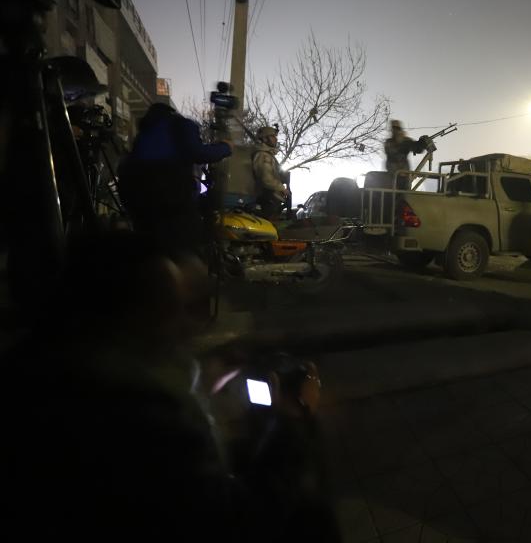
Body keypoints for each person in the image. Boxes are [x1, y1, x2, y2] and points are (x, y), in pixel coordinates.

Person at [0, 231, 337, 540]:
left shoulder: (37, 368)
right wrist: (294, 419)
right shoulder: (139, 412)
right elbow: (233, 519)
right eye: (172, 308)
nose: (187, 327)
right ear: (133, 316)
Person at [119, 102, 232, 254]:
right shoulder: (179, 124)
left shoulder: (144, 134)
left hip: (138, 200)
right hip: (171, 198)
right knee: (184, 247)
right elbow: (198, 153)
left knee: (152, 248)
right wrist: (225, 147)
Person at [252, 125, 289, 218]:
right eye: (272, 136)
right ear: (264, 139)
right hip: (267, 200)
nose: (276, 139)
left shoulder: (267, 154)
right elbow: (266, 179)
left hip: (271, 200)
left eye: (275, 136)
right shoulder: (263, 155)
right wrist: (282, 188)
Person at [384, 119, 429, 188]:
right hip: (392, 176)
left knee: (404, 194)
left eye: (397, 128)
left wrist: (422, 144)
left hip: (404, 176)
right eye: (394, 128)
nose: (395, 131)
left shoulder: (406, 140)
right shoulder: (388, 142)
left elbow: (418, 149)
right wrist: (400, 143)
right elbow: (391, 154)